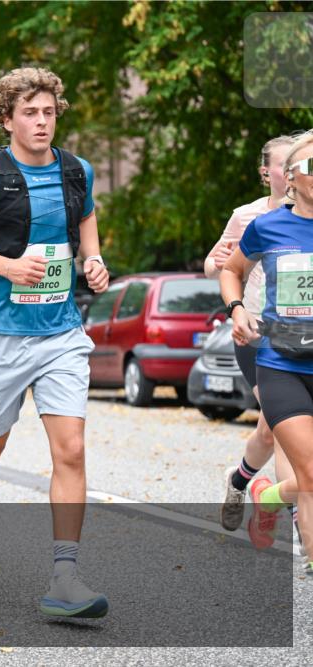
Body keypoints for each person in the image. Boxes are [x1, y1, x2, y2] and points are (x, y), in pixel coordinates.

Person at [0, 67, 110, 617]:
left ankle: (65, 577)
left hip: (61, 333)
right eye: (29, 112)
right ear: (6, 119)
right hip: (0, 335)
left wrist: (93, 259)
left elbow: (87, 220)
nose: (41, 121)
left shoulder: (77, 171)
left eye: (48, 112)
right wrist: (7, 266)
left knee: (71, 449)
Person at [221, 130, 313, 577]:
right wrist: (237, 309)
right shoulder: (265, 224)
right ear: (291, 177)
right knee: (308, 470)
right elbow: (229, 269)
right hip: (280, 361)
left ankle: (268, 495)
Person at [204, 135, 300, 537]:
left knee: (268, 429)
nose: (292, 171)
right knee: (284, 430)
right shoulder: (248, 217)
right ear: (267, 172)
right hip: (256, 334)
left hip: (302, 336)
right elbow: (216, 264)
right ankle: (300, 523)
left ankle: (241, 480)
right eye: (283, 164)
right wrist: (220, 265)